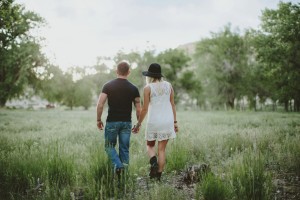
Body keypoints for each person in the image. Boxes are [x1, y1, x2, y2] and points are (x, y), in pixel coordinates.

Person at [132, 63, 178, 181]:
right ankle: (158, 177)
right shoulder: (169, 86)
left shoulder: (148, 88)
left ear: (150, 76)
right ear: (160, 75)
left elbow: (145, 109)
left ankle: (153, 163)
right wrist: (175, 122)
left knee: (149, 145)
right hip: (167, 121)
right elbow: (172, 104)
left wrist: (138, 124)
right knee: (161, 150)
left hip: (154, 121)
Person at [96, 61, 141, 182]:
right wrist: (139, 123)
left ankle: (118, 165)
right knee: (124, 148)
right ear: (129, 72)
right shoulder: (134, 88)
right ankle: (124, 178)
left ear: (116, 71)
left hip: (112, 122)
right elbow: (138, 108)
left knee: (109, 146)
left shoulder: (108, 86)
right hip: (127, 123)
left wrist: (98, 119)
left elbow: (100, 104)